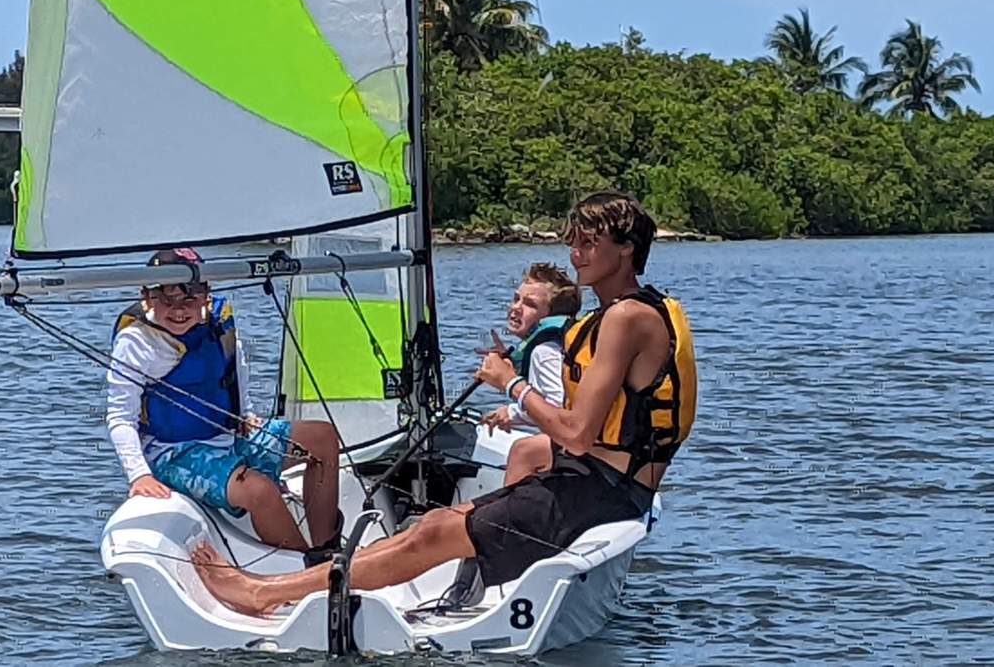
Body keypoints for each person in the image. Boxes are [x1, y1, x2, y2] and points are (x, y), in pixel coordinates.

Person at [191, 192, 697, 616]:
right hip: (591, 480)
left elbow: (579, 433)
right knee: (432, 525)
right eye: (573, 242)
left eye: (590, 243)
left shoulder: (628, 318)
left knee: (430, 537)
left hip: (603, 492)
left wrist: (512, 384)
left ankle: (261, 593)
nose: (576, 254)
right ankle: (303, 587)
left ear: (627, 250)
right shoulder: (626, 311)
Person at [105, 248, 342, 556]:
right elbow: (120, 418)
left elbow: (234, 367)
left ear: (206, 295)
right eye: (166, 299)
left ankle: (326, 549)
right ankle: (307, 569)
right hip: (172, 453)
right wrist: (140, 475)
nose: (178, 310)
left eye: (189, 298)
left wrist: (245, 415)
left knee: (322, 438)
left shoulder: (219, 321)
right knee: (259, 489)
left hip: (226, 435)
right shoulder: (137, 341)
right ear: (146, 297)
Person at [479, 262, 581, 486]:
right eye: (516, 299)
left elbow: (558, 411)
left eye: (530, 304)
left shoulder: (544, 352)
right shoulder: (555, 344)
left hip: (572, 445)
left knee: (522, 451)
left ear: (548, 317)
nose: (516, 307)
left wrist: (510, 397)